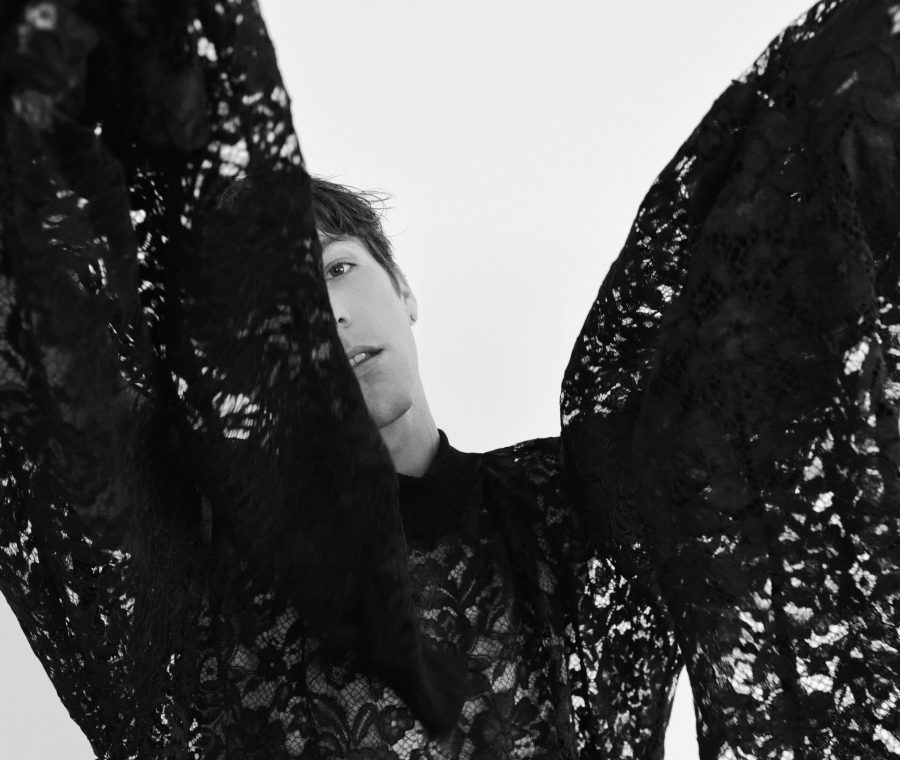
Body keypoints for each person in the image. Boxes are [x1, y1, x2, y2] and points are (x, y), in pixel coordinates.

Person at [1, 0, 899, 758]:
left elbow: (744, 345)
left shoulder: (573, 513)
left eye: (337, 269)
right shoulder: (187, 585)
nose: (323, 317)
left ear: (403, 290)